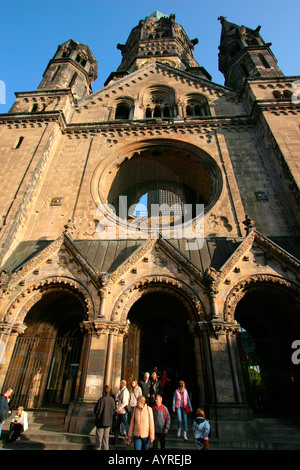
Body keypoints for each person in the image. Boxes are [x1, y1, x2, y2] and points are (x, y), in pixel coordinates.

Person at [94, 385, 115, 450]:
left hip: (100, 422)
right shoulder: (112, 400)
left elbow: (96, 410)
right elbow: (113, 410)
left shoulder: (101, 400)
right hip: (108, 422)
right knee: (106, 440)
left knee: (99, 440)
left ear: (104, 391)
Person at [114, 379, 130, 444]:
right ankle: (116, 440)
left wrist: (118, 409)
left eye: (121, 383)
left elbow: (125, 403)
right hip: (120, 411)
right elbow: (117, 397)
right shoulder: (121, 390)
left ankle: (129, 439)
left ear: (123, 384)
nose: (120, 384)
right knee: (117, 426)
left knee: (125, 424)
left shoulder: (125, 391)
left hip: (123, 411)